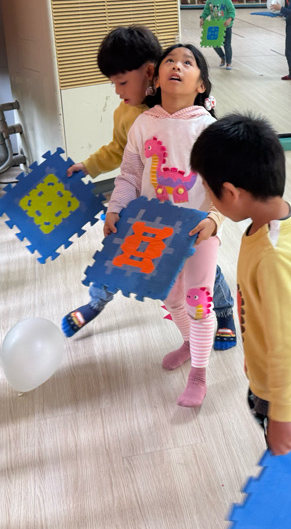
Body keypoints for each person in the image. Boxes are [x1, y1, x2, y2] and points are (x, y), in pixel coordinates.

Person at [190, 113, 291, 529]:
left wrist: (283, 414)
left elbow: (288, 344)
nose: (207, 198)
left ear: (232, 192)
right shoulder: (277, 217)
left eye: (210, 190)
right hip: (285, 380)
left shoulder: (273, 257)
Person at [62, 28, 237, 350]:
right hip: (148, 212)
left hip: (190, 215)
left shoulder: (189, 115)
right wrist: (89, 168)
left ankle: (224, 311)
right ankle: (96, 302)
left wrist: (215, 215)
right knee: (118, 255)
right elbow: (121, 158)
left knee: (202, 268)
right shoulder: (131, 117)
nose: (118, 91)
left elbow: (216, 168)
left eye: (122, 82)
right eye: (113, 84)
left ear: (149, 73)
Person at [105, 43, 221, 407]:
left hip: (198, 231)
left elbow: (223, 184)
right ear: (155, 79)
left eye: (188, 62)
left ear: (201, 85)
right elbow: (129, 174)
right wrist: (115, 209)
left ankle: (199, 373)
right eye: (170, 60)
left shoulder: (208, 128)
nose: (177, 66)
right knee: (171, 297)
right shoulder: (143, 124)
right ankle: (189, 342)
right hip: (155, 230)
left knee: (198, 301)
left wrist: (214, 219)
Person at [200, 0, 236, 69]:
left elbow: (232, 11)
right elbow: (206, 11)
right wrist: (202, 18)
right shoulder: (210, 0)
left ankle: (228, 62)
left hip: (226, 26)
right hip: (214, 26)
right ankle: (222, 57)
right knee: (214, 44)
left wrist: (229, 19)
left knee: (226, 44)